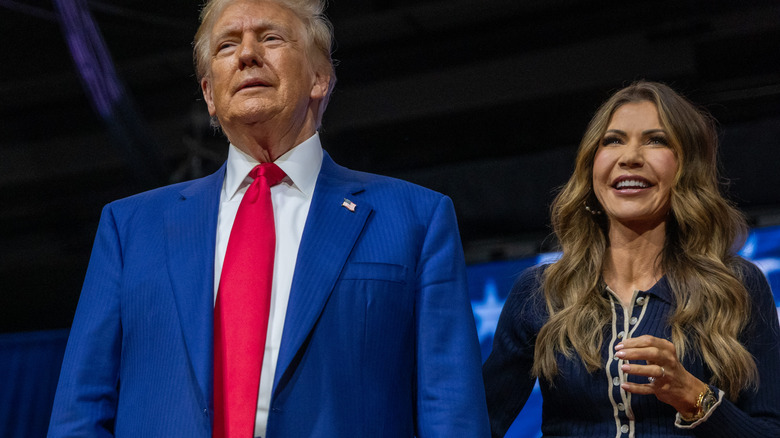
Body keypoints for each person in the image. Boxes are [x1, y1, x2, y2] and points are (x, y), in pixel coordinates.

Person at [47, 0, 489, 436]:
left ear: (320, 77)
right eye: (226, 46)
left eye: (270, 37)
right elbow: (79, 411)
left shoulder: (416, 218)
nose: (246, 54)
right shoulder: (129, 228)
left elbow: (451, 411)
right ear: (208, 95)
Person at [483, 81, 780, 437]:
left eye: (656, 140)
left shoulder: (737, 285)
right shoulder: (541, 292)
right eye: (613, 140)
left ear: (688, 167)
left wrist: (694, 396)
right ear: (592, 164)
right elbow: (474, 425)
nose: (630, 157)